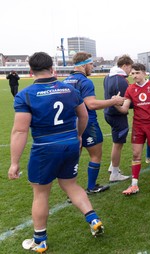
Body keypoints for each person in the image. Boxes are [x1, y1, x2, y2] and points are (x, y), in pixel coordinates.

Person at [8, 52, 104, 253]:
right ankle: (93, 218)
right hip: (69, 144)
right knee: (71, 184)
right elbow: (84, 115)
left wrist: (14, 162)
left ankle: (39, 240)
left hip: (45, 148)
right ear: (52, 68)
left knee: (41, 193)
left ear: (31, 72)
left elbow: (20, 130)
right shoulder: (69, 89)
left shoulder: (26, 95)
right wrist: (78, 136)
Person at [64, 52, 124, 194]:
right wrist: (113, 101)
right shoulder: (85, 81)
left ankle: (72, 191)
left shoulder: (66, 81)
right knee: (95, 155)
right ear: (84, 65)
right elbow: (91, 104)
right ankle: (91, 187)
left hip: (70, 125)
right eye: (91, 64)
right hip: (87, 123)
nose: (92, 67)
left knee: (74, 158)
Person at [115, 63, 150, 195]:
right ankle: (134, 184)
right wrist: (115, 103)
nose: (134, 76)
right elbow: (124, 109)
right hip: (138, 126)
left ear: (144, 73)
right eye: (133, 73)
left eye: (137, 73)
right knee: (136, 154)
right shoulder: (130, 89)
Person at [103, 54, 134, 182]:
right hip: (117, 115)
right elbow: (124, 101)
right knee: (118, 144)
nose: (130, 71)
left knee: (116, 142)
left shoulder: (107, 76)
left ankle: (112, 166)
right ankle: (115, 173)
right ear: (125, 65)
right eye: (130, 68)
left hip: (109, 113)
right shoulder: (121, 80)